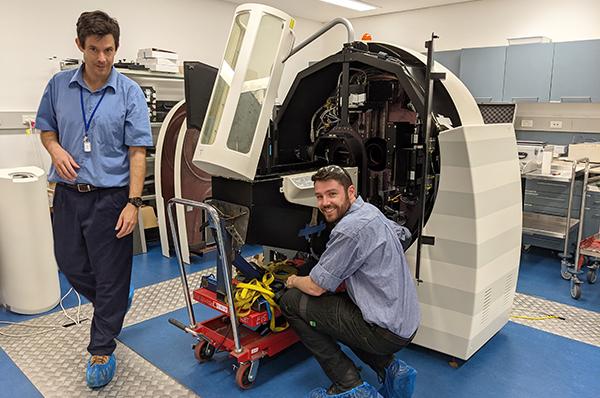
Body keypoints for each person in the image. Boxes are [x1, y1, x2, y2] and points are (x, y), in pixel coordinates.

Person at [35, 10, 152, 389]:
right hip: (68, 196)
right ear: (79, 47)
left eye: (109, 50)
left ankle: (101, 348)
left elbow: (137, 152)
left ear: (116, 48)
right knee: (68, 262)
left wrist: (134, 204)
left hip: (112, 198)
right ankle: (115, 299)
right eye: (94, 49)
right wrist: (54, 151)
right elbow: (46, 130)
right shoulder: (57, 86)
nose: (102, 58)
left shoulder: (129, 92)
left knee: (111, 272)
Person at [280, 165, 420, 398]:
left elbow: (315, 287)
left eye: (332, 194)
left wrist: (293, 280)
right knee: (340, 310)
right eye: (319, 196)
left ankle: (348, 385)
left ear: (350, 192)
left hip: (384, 332)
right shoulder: (371, 212)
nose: (325, 203)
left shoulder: (349, 229)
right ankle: (393, 370)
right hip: (406, 322)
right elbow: (403, 235)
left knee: (291, 301)